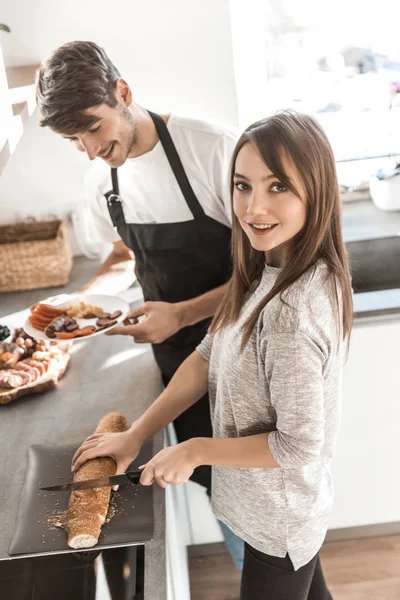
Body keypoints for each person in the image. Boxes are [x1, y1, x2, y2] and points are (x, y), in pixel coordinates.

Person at [72, 110, 353, 599]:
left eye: (278, 187)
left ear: (317, 191)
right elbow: (207, 354)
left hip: (278, 524)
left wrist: (196, 449)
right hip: (272, 512)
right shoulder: (263, 266)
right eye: (242, 186)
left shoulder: (292, 310)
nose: (253, 207)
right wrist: (138, 434)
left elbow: (299, 446)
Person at [36, 41, 244, 569]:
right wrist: (84, 307)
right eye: (72, 140)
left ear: (123, 93)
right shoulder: (102, 178)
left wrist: (183, 312)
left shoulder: (213, 149)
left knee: (255, 504)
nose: (88, 150)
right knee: (219, 492)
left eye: (94, 130)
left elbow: (269, 274)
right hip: (177, 363)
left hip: (245, 357)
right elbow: (124, 253)